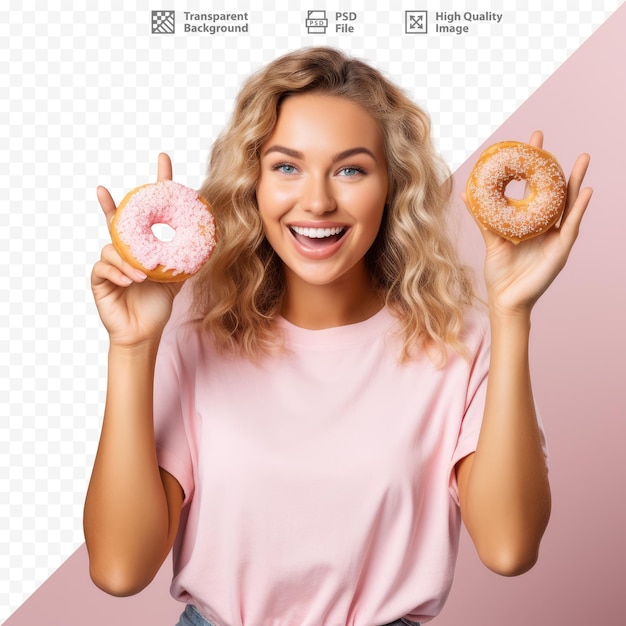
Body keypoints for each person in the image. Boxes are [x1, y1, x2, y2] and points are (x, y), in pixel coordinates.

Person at [84, 47, 592, 626]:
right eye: (286, 166)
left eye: (350, 169)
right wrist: (130, 347)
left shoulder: (462, 346)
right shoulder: (194, 350)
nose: (319, 200)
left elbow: (510, 549)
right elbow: (119, 570)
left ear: (392, 188)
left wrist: (513, 312)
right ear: (252, 183)